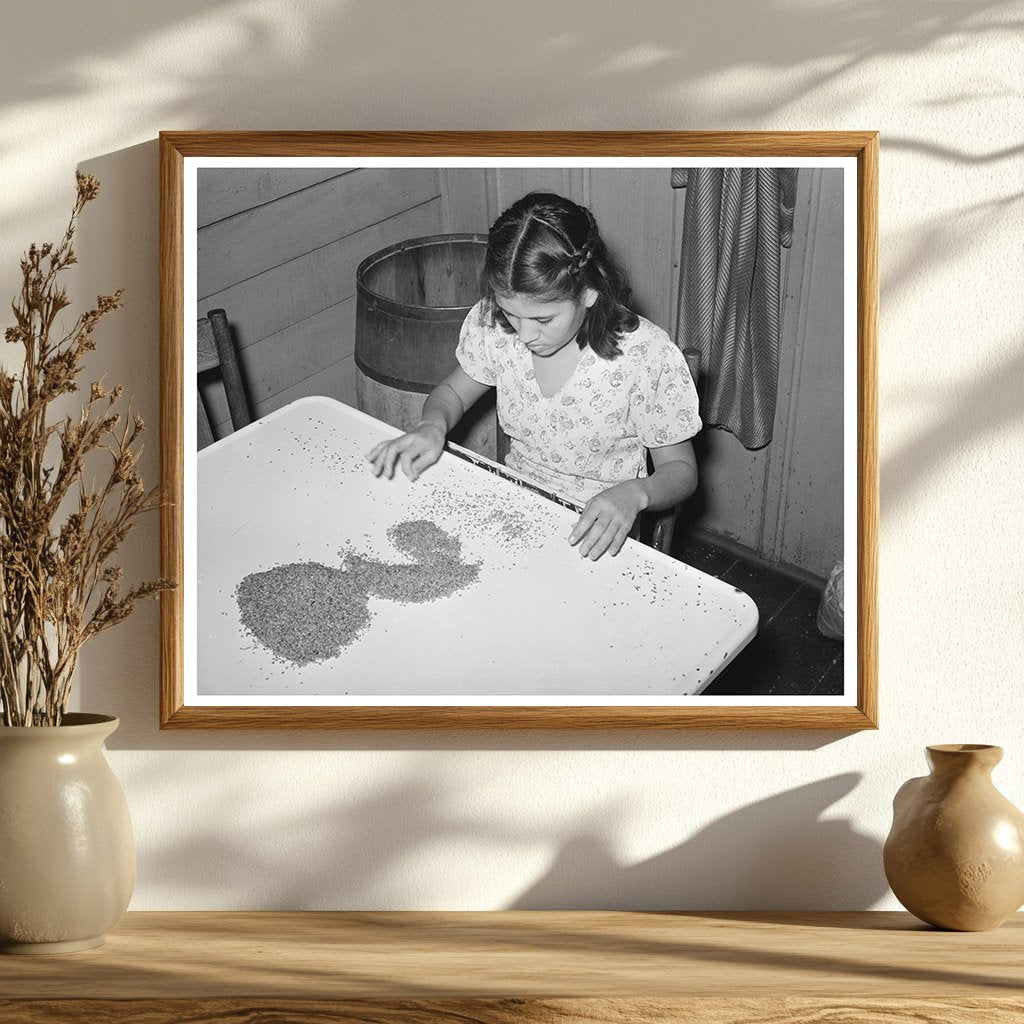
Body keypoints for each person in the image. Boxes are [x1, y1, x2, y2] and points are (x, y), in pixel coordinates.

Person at [368, 192, 701, 561]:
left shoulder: (644, 357)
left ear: (589, 292)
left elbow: (681, 471)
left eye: (543, 320)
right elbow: (452, 392)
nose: (524, 335)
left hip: (601, 531)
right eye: (511, 313)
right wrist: (432, 425)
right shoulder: (497, 329)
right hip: (516, 509)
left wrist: (636, 494)